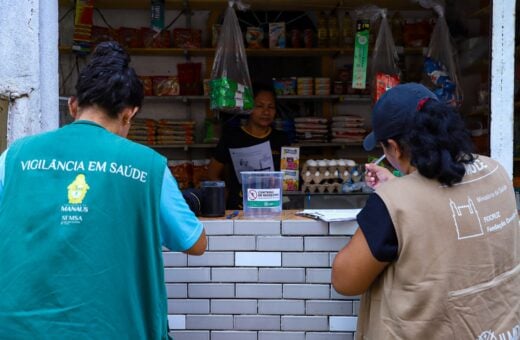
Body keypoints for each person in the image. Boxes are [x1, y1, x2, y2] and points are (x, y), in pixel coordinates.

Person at [0, 41, 207, 339]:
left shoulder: (14, 157)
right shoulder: (148, 167)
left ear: (73, 105)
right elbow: (195, 243)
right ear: (129, 114)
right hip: (115, 329)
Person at [331, 83, 520, 339]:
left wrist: (394, 193)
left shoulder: (393, 203)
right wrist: (400, 184)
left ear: (394, 147)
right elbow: (442, 199)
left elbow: (346, 281)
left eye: (384, 150)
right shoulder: (496, 172)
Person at [207, 82, 289, 209]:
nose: (266, 112)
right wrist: (225, 195)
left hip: (273, 208)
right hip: (238, 210)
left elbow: (289, 177)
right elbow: (212, 173)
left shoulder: (281, 139)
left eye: (271, 107)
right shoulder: (232, 137)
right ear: (249, 107)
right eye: (260, 106)